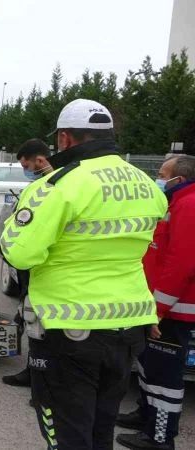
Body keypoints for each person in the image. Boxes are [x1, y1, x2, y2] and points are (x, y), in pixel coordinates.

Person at [0, 99, 168, 450]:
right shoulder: (147, 184)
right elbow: (134, 256)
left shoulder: (58, 186)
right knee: (100, 428)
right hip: (129, 325)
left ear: (64, 139)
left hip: (71, 329)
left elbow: (20, 253)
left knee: (66, 434)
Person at [115, 155, 195, 450]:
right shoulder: (176, 202)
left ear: (180, 178)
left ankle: (160, 437)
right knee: (149, 365)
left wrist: (158, 310)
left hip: (172, 311)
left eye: (162, 174)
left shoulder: (189, 204)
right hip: (158, 307)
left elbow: (182, 264)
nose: (158, 178)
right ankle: (146, 414)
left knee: (165, 376)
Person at [1, 138, 53, 389]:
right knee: (25, 316)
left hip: (43, 271)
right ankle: (28, 368)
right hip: (30, 270)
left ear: (40, 160)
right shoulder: (44, 186)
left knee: (36, 325)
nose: (26, 171)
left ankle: (38, 380)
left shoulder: (54, 189)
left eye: (26, 165)